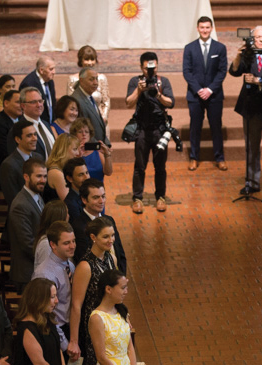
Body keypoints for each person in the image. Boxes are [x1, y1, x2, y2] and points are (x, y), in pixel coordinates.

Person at [229, 26, 262, 196]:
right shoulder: (248, 55)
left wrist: (258, 80)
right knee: (251, 149)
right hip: (251, 110)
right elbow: (234, 71)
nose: (260, 40)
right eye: (257, 37)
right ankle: (252, 182)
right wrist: (238, 55)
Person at [127, 52, 175, 214]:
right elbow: (128, 103)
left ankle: (160, 197)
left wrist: (158, 94)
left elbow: (171, 102)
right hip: (141, 129)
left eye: (153, 68)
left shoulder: (163, 81)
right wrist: (139, 91)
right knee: (139, 166)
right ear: (141, 67)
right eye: (147, 68)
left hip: (159, 129)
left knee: (160, 166)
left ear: (157, 66)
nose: (151, 71)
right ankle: (137, 198)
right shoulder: (135, 81)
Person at [14, 278, 68, 365]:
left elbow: (58, 349)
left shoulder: (48, 319)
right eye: (52, 297)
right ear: (38, 299)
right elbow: (39, 364)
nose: (56, 301)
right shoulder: (27, 328)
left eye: (55, 296)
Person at [183, 17, 229, 172]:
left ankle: (220, 158)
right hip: (195, 96)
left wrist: (209, 89)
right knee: (195, 127)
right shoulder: (189, 48)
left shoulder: (220, 48)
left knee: (216, 127)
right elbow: (187, 72)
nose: (204, 30)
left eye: (207, 27)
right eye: (202, 27)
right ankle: (194, 157)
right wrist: (199, 90)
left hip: (214, 95)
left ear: (211, 28)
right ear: (197, 28)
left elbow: (222, 71)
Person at [70, 217, 118, 365]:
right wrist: (74, 341)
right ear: (93, 237)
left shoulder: (111, 259)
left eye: (112, 235)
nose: (111, 240)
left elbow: (116, 294)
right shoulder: (85, 266)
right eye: (105, 236)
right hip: (94, 325)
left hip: (111, 321)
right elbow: (76, 305)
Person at [33, 221, 76, 352]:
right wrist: (64, 344)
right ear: (53, 245)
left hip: (68, 326)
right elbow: (45, 314)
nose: (72, 246)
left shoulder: (69, 264)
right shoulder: (45, 274)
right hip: (55, 330)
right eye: (66, 243)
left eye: (73, 241)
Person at [70, 178, 126, 269]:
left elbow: (119, 252)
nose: (101, 201)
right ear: (84, 200)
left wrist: (121, 276)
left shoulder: (109, 220)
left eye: (103, 196)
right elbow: (84, 260)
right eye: (96, 197)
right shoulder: (79, 227)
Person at [8, 159, 46, 289]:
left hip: (37, 268)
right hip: (27, 271)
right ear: (26, 177)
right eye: (39, 176)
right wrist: (49, 255)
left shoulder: (37, 197)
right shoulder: (21, 204)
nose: (43, 180)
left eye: (45, 176)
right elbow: (26, 243)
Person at [0, 120, 41, 205]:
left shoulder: (39, 157)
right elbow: (13, 199)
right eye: (29, 136)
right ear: (18, 139)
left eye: (35, 134)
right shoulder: (8, 165)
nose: (34, 138)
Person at [68, 46, 110, 125]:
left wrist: (103, 118)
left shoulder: (101, 78)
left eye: (92, 59)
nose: (90, 63)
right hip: (81, 122)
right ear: (81, 61)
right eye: (86, 59)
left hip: (100, 121)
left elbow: (106, 101)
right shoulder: (73, 79)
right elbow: (71, 103)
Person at [14, 87, 56, 160]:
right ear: (23, 106)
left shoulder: (46, 124)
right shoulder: (18, 128)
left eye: (40, 101)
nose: (39, 105)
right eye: (33, 102)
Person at [0, 89, 21, 179]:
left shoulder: (22, 120)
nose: (21, 105)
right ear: (6, 103)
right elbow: (3, 151)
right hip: (6, 174)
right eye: (18, 102)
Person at [71, 68, 108, 146]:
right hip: (90, 150)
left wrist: (107, 144)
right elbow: (82, 131)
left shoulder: (88, 96)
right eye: (91, 80)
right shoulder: (77, 100)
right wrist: (98, 147)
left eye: (96, 79)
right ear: (81, 80)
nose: (95, 83)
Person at [71, 117, 113, 183]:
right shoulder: (72, 153)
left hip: (98, 189)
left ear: (90, 135)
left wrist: (107, 155)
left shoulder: (98, 153)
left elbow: (108, 172)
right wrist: (78, 156)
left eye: (86, 132)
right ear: (75, 135)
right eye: (80, 132)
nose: (84, 134)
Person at [20, 56, 57, 125]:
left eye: (54, 68)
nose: (54, 72)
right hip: (34, 125)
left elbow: (52, 103)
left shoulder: (49, 80)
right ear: (41, 70)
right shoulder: (29, 83)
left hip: (49, 124)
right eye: (51, 69)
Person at [44, 133, 81, 203]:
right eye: (75, 149)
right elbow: (69, 203)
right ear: (64, 150)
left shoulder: (62, 168)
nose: (78, 153)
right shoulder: (56, 173)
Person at [33, 200, 68, 268]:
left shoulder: (54, 239)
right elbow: (47, 272)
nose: (69, 216)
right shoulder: (46, 244)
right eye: (67, 214)